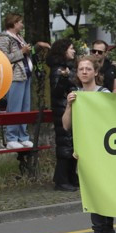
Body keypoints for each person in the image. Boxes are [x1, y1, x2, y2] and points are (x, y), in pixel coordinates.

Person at [63, 56, 116, 233]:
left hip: (105, 150)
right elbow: (66, 125)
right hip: (86, 152)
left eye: (88, 69)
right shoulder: (76, 95)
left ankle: (104, 232)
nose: (84, 72)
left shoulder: (103, 93)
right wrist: (69, 106)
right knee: (93, 191)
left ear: (96, 72)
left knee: (103, 190)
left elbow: (115, 116)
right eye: (81, 69)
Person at [0, 13, 36, 148]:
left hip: (25, 75)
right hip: (15, 76)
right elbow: (2, 58)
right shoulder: (4, 38)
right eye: (20, 22)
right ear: (13, 23)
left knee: (25, 107)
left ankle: (23, 136)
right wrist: (22, 52)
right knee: (14, 108)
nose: (22, 25)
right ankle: (11, 138)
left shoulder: (18, 37)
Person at [47, 39, 78, 191]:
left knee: (71, 144)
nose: (74, 51)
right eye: (71, 48)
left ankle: (71, 176)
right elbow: (57, 91)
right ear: (64, 50)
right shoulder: (58, 69)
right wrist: (64, 79)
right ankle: (61, 180)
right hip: (62, 110)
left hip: (68, 108)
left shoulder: (68, 67)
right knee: (65, 144)